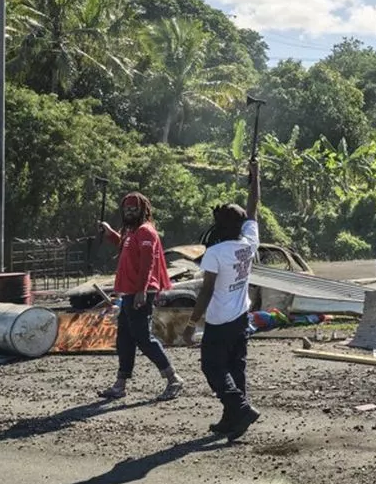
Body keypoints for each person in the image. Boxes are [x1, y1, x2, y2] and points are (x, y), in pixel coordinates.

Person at [185, 160, 261, 441]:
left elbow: (205, 292)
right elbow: (254, 208)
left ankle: (240, 409)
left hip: (219, 320)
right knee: (235, 367)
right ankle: (232, 420)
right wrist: (256, 177)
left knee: (212, 367)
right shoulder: (248, 244)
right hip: (241, 317)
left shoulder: (215, 253)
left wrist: (192, 324)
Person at [96, 193, 185, 400]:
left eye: (133, 209)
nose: (129, 212)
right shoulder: (131, 232)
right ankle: (120, 384)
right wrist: (110, 233)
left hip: (140, 292)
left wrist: (142, 291)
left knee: (143, 338)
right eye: (126, 209)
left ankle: (174, 379)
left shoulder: (146, 232)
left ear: (143, 210)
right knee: (125, 339)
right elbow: (125, 248)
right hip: (129, 292)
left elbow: (148, 264)